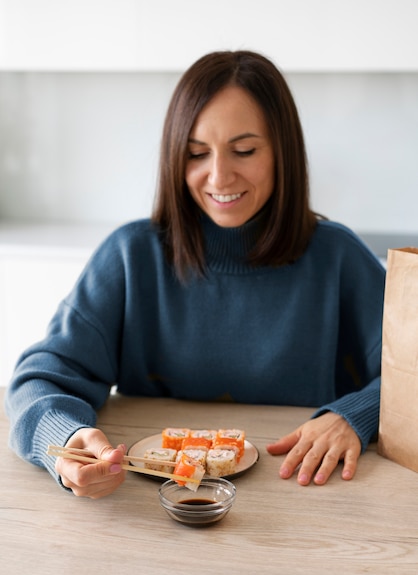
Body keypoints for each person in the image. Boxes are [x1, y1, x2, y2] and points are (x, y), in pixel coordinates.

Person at [5, 50, 386, 499]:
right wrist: (68, 442)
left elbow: (411, 376)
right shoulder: (132, 256)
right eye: (197, 153)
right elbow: (39, 377)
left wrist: (355, 415)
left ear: (283, 152)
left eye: (244, 150)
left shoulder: (337, 257)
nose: (219, 176)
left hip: (304, 500)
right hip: (152, 508)